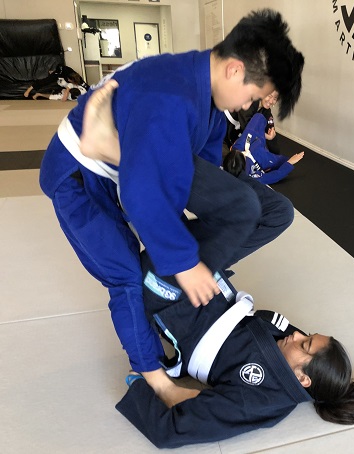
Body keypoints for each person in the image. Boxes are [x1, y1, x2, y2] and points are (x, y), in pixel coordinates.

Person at [38, 9, 304, 407]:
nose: (249, 104)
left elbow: (197, 180)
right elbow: (145, 193)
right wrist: (184, 262)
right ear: (234, 70)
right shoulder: (170, 95)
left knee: (270, 211)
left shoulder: (210, 103)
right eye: (251, 96)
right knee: (126, 277)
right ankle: (156, 378)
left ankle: (117, 155)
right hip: (79, 177)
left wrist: (204, 242)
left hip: (136, 166)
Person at [116, 247, 354, 448]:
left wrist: (151, 385)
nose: (296, 333)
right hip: (211, 290)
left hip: (185, 314)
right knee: (271, 213)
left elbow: (172, 432)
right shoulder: (291, 355)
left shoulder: (263, 400)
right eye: (307, 335)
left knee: (154, 251)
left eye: (305, 344)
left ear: (303, 378)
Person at [223, 112, 304, 185]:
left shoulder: (238, 147)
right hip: (261, 158)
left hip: (252, 142)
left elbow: (249, 132)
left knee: (259, 117)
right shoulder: (252, 176)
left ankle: (263, 139)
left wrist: (266, 136)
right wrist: (289, 162)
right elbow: (273, 176)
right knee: (284, 161)